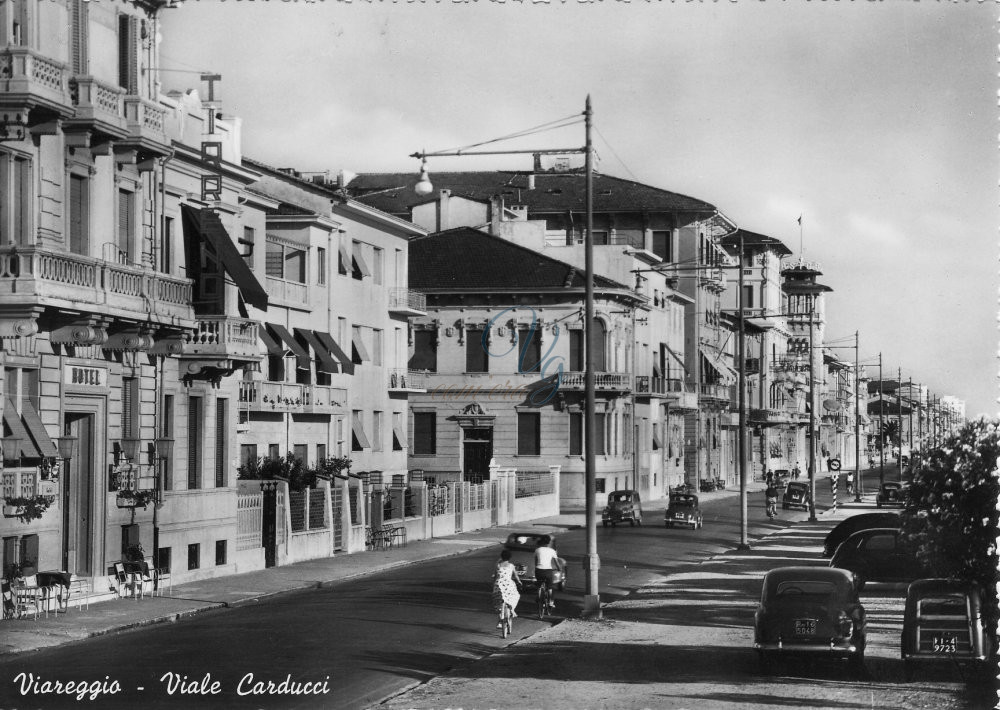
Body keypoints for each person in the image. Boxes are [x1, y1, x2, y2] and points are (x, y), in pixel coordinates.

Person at [492, 549, 522, 628]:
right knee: (515, 595)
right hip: (509, 585)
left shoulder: (498, 565)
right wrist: (519, 582)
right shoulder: (511, 566)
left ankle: (500, 620)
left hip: (498, 585)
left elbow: (495, 576)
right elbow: (515, 576)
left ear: (501, 556)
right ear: (510, 557)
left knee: (498, 601)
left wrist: (493, 583)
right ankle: (511, 610)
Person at [533, 536, 564, 607]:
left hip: (539, 570)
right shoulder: (552, 551)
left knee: (539, 583)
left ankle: (539, 593)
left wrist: (537, 567)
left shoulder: (537, 550)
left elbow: (536, 561)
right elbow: (556, 562)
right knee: (550, 586)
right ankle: (550, 602)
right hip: (548, 571)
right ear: (549, 542)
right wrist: (559, 569)